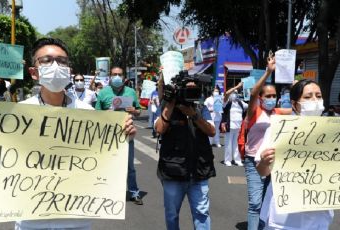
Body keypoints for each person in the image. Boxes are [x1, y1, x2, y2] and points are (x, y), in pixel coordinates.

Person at [0, 37, 137, 230]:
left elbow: (106, 158)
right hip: (30, 222)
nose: (55, 66)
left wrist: (124, 134)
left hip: (76, 222)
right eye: (46, 60)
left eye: (62, 61)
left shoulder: (90, 115)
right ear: (33, 72)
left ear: (69, 70)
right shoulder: (15, 115)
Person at [256, 79, 340, 229]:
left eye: (318, 96)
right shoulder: (279, 130)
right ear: (295, 104)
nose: (315, 100)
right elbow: (262, 171)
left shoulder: (336, 132)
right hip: (285, 216)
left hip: (318, 212)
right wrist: (264, 161)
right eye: (308, 97)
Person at [154, 80, 216, 230]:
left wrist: (194, 115)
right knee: (172, 214)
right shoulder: (166, 106)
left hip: (199, 172)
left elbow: (212, 131)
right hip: (173, 172)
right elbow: (159, 129)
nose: (190, 93)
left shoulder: (201, 107)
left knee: (202, 214)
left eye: (194, 90)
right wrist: (171, 103)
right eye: (187, 89)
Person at [243, 54, 291, 230]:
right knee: (255, 203)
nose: (272, 98)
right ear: (261, 98)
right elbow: (254, 92)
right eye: (268, 95)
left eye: (274, 95)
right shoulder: (254, 112)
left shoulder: (278, 112)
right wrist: (268, 71)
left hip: (274, 161)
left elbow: (297, 108)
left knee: (268, 201)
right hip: (253, 160)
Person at [95, 66, 143, 205]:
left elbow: (139, 111)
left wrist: (134, 110)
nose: (117, 77)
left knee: (130, 166)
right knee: (108, 165)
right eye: (114, 74)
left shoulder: (131, 92)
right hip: (108, 135)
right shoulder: (104, 93)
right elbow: (96, 114)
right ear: (110, 76)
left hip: (127, 133)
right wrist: (106, 113)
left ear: (124, 77)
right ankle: (108, 192)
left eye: (119, 74)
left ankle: (134, 192)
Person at [221, 83, 247, 166]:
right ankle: (227, 160)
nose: (234, 94)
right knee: (228, 144)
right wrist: (236, 87)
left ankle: (237, 159)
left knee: (236, 144)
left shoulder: (240, 103)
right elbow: (227, 93)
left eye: (236, 93)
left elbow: (250, 106)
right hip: (229, 126)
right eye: (233, 93)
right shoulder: (226, 102)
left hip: (238, 126)